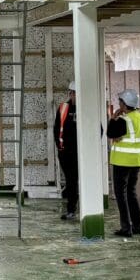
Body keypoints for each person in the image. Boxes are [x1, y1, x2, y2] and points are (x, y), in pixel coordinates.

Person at [106, 89, 140, 237]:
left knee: (120, 194)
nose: (119, 104)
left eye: (120, 102)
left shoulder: (124, 120)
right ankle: (138, 226)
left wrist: (113, 118)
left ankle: (126, 228)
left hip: (122, 161)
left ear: (125, 104)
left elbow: (110, 133)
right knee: (131, 193)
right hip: (136, 160)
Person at [55, 81, 78, 220]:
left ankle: (76, 208)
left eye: (74, 92)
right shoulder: (64, 108)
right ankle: (71, 210)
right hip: (66, 153)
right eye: (72, 93)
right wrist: (60, 147)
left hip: (81, 152)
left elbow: (97, 129)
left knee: (76, 181)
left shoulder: (87, 107)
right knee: (71, 181)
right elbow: (56, 129)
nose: (72, 95)